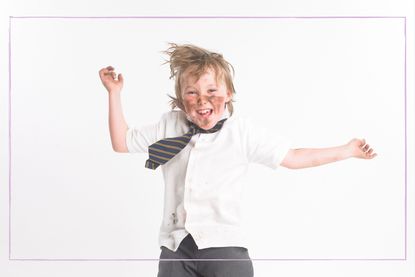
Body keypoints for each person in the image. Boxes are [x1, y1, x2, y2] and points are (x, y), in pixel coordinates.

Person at [99, 43, 377, 277]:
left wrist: (346, 150)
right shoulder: (170, 125)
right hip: (175, 249)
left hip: (224, 248)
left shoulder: (242, 133)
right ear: (182, 101)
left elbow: (293, 156)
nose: (201, 100)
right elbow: (122, 142)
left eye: (211, 91)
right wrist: (114, 94)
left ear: (228, 94)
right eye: (192, 93)